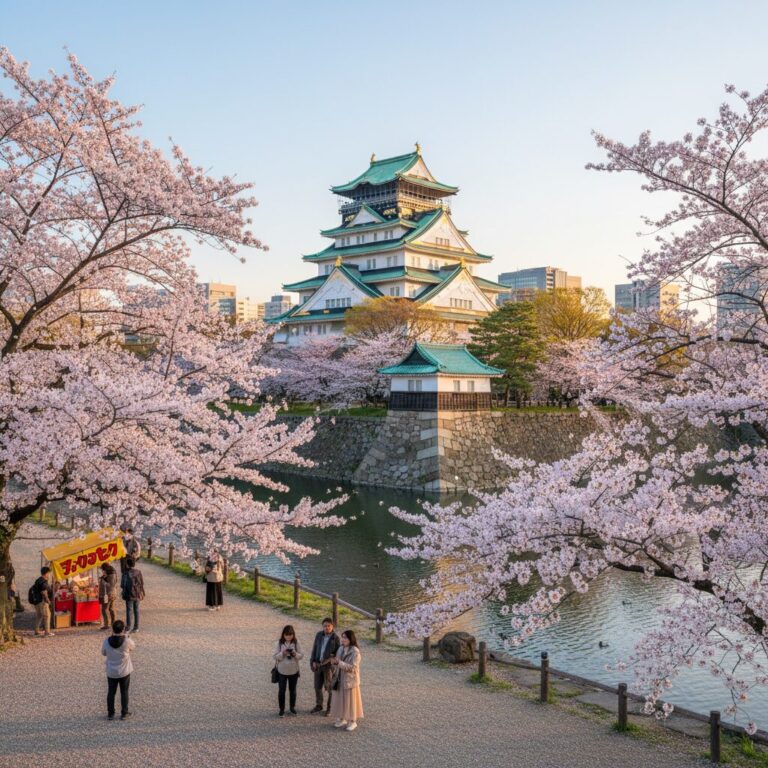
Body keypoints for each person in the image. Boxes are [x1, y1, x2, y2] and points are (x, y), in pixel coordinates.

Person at [329, 629, 363, 732]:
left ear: (350, 639)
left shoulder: (355, 651)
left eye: (345, 637)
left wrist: (339, 663)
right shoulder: (340, 648)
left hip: (350, 680)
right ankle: (342, 718)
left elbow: (353, 668)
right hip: (340, 678)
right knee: (340, 698)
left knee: (350, 700)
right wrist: (334, 662)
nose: (343, 639)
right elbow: (338, 662)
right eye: (342, 637)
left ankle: (352, 721)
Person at [101, 619, 135, 720]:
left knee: (111, 692)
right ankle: (124, 713)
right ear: (123, 629)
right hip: (124, 671)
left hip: (111, 671)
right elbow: (133, 647)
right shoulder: (126, 641)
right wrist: (127, 636)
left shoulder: (107, 641)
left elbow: (103, 653)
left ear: (113, 629)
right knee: (124, 691)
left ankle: (111, 713)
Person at [309, 617, 340, 715]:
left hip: (328, 667)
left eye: (328, 626)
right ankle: (319, 705)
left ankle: (329, 708)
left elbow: (338, 654)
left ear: (332, 626)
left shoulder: (336, 638)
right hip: (318, 664)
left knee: (329, 688)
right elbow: (314, 648)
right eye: (324, 626)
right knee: (317, 687)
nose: (326, 628)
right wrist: (313, 661)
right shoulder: (319, 635)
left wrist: (332, 657)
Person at [273, 624, 303, 717]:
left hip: (293, 670)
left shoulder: (297, 642)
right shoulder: (279, 643)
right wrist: (283, 653)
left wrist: (294, 654)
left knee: (292, 690)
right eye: (286, 635)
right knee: (282, 691)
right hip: (282, 671)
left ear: (293, 634)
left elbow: (301, 655)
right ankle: (281, 709)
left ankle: (292, 708)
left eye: (290, 635)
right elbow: (275, 656)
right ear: (283, 635)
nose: (288, 637)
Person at [120, 557, 145, 634]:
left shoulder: (125, 573)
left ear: (127, 564)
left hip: (129, 594)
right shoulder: (138, 572)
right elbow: (141, 583)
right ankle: (136, 627)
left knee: (129, 611)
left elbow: (122, 585)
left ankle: (128, 627)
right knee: (136, 610)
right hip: (137, 593)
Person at [32, 566, 54, 637]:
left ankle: (36, 631)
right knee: (47, 615)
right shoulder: (43, 581)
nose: (49, 574)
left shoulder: (38, 580)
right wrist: (48, 601)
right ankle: (47, 632)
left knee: (39, 616)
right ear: (46, 573)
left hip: (36, 602)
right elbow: (44, 592)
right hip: (42, 601)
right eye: (49, 573)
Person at [99, 563, 118, 630]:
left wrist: (104, 581)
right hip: (112, 594)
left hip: (108, 595)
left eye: (103, 570)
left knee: (104, 609)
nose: (102, 571)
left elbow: (110, 585)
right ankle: (113, 623)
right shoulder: (111, 573)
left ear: (105, 569)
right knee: (111, 608)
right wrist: (104, 577)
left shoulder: (111, 575)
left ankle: (106, 624)